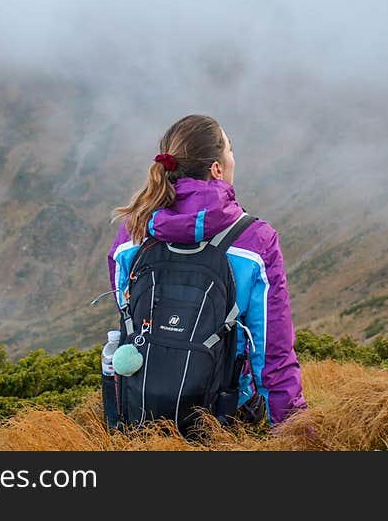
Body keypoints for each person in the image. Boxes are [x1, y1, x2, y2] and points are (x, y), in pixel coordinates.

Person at [107, 114, 306, 427]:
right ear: (217, 168)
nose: (232, 158)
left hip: (140, 409)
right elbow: (272, 351)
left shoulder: (131, 233)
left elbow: (127, 312)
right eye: (230, 150)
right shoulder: (255, 241)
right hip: (224, 416)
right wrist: (292, 428)